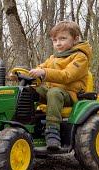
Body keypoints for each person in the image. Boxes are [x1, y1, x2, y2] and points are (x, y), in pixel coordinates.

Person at [29, 21, 92, 151]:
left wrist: (44, 73)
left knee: (54, 93)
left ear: (75, 39)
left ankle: (53, 132)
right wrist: (27, 73)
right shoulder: (53, 58)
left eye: (63, 38)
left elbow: (67, 76)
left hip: (71, 95)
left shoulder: (80, 57)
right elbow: (40, 68)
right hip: (54, 93)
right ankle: (26, 122)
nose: (58, 43)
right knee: (30, 90)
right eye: (55, 40)